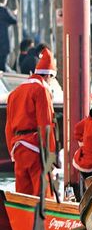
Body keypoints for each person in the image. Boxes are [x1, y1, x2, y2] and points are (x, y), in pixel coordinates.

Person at [5, 46, 58, 195]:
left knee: (23, 196)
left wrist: (12, 151)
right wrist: (51, 155)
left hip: (18, 147)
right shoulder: (41, 90)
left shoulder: (15, 92)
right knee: (44, 196)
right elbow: (45, 123)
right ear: (49, 76)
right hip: (35, 148)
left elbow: (8, 127)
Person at [0, 0, 17, 71]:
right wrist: (13, 13)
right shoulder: (5, 10)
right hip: (5, 43)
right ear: (5, 0)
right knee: (3, 65)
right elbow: (14, 20)